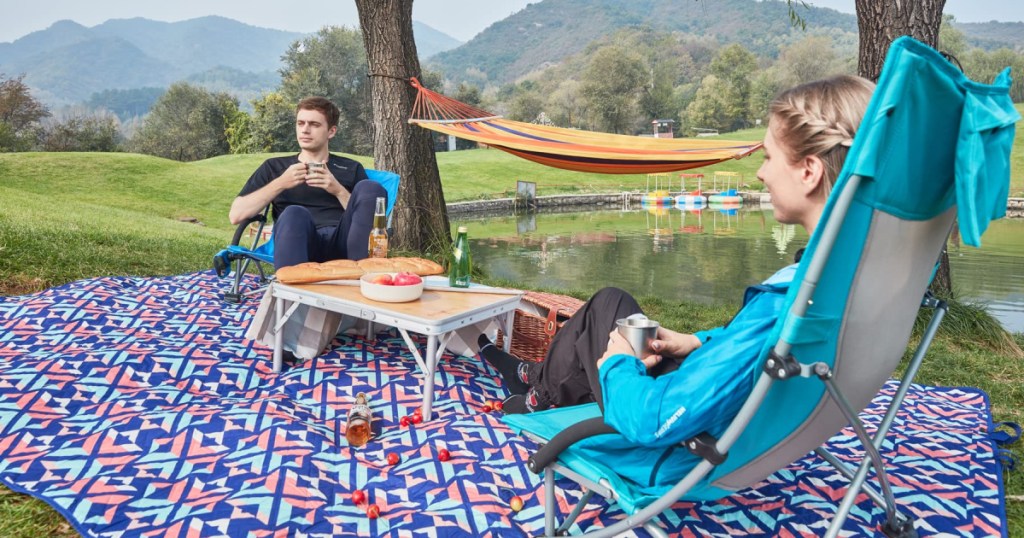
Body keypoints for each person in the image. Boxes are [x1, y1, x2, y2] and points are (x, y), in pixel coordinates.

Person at [479, 72, 875, 455]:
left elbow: (652, 420)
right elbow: (748, 354)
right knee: (611, 304)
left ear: (809, 171)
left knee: (609, 324)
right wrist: (697, 342)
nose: (759, 172)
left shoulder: (787, 304)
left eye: (770, 156)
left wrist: (617, 363)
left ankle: (540, 395)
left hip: (685, 437)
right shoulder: (844, 279)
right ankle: (536, 380)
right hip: (724, 402)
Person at [229, 96, 386, 269]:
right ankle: (291, 291)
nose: (305, 130)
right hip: (299, 243)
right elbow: (236, 215)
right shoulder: (274, 167)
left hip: (345, 245)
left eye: (314, 124)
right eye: (300, 123)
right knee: (294, 213)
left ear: (331, 131)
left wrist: (337, 190)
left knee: (370, 188)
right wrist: (281, 182)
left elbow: (369, 220)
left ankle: (362, 276)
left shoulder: (350, 168)